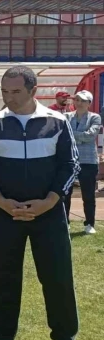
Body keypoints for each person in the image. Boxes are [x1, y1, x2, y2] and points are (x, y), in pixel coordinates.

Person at [0, 65, 80, 340]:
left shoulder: (57, 121)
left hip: (49, 215)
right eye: (5, 91)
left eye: (16, 92)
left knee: (58, 279)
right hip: (6, 215)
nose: (9, 97)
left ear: (33, 90)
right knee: (4, 278)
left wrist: (50, 201)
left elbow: (70, 164)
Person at [64, 90, 100, 234]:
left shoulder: (95, 117)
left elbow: (90, 136)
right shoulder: (66, 116)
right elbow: (64, 135)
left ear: (89, 103)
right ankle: (65, 222)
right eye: (77, 99)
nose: (79, 103)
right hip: (68, 160)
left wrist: (72, 137)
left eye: (83, 100)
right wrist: (80, 137)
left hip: (88, 161)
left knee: (88, 194)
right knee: (65, 193)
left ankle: (89, 224)